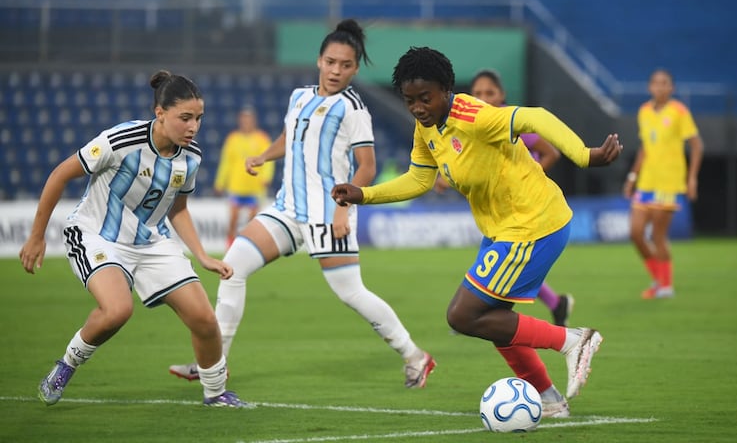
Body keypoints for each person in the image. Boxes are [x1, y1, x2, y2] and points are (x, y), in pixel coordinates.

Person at [331, 47, 623, 418]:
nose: (418, 108)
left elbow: (535, 117)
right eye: (410, 101)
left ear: (447, 89)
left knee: (463, 316)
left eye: (425, 98)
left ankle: (573, 340)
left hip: (533, 223)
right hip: (503, 229)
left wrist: (584, 155)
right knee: (494, 321)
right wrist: (364, 195)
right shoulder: (427, 127)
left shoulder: (474, 116)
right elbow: (420, 179)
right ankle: (549, 401)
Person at [169, 20, 435, 388]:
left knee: (351, 293)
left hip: (328, 214)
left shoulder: (353, 109)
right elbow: (290, 135)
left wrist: (343, 208)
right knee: (232, 268)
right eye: (330, 62)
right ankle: (215, 363)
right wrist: (264, 156)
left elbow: (367, 168)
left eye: (345, 65)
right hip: (287, 210)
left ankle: (415, 356)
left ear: (355, 69)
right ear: (319, 60)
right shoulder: (299, 96)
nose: (336, 70)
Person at [19, 70, 246, 407]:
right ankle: (67, 365)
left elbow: (178, 210)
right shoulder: (120, 141)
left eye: (198, 118)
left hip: (152, 242)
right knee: (117, 310)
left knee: (204, 319)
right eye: (185, 118)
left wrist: (202, 256)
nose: (193, 127)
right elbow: (60, 175)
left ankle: (215, 394)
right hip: (98, 236)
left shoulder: (191, 156)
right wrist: (36, 236)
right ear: (160, 113)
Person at [436, 69, 574, 326]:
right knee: (507, 270)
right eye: (478, 93)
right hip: (497, 214)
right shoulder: (469, 124)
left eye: (490, 92)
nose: (483, 97)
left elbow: (551, 152)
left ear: (502, 95)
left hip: (524, 211)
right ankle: (555, 304)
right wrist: (446, 178)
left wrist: (528, 178)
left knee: (507, 269)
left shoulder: (509, 121)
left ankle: (469, 312)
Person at [622, 69, 704, 299]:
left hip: (668, 184)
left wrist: (692, 178)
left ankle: (666, 286)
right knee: (636, 233)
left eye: (664, 83)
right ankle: (658, 279)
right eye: (656, 83)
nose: (660, 87)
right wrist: (632, 177)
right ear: (650, 87)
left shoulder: (679, 111)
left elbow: (697, 146)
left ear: (672, 88)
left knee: (658, 236)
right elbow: (645, 148)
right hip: (646, 182)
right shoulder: (644, 111)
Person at [214, 106, 274, 248]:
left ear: (254, 121)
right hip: (236, 185)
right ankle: (230, 244)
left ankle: (247, 245)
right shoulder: (233, 138)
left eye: (249, 120)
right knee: (233, 218)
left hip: (255, 186)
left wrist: (266, 177)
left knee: (253, 219)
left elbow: (268, 160)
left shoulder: (262, 138)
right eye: (243, 120)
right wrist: (220, 182)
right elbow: (226, 162)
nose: (246, 122)